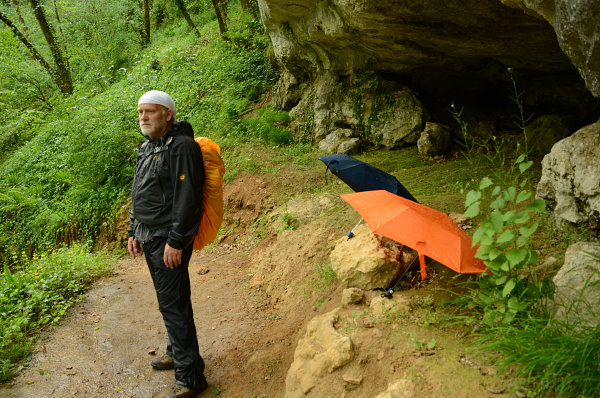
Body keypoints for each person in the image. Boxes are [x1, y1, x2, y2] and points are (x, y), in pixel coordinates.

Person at [128, 90, 207, 398]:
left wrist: (177, 240)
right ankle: (176, 351)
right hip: (149, 234)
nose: (143, 117)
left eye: (150, 111)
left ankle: (190, 377)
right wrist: (133, 229)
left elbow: (189, 199)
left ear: (168, 114)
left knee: (172, 304)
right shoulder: (147, 147)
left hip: (167, 238)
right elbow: (139, 190)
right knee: (171, 300)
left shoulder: (182, 147)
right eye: (140, 112)